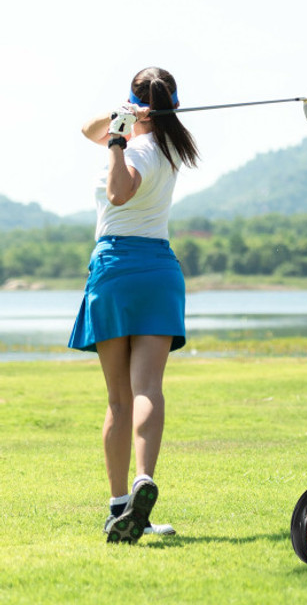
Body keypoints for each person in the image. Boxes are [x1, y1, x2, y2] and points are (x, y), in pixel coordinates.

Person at [69, 67, 199, 543]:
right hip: (159, 272)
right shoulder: (170, 148)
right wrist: (118, 119)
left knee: (119, 399)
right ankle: (143, 483)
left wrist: (118, 140)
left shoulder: (138, 148)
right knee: (148, 389)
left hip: (117, 271)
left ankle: (120, 504)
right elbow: (87, 127)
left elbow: (117, 192)